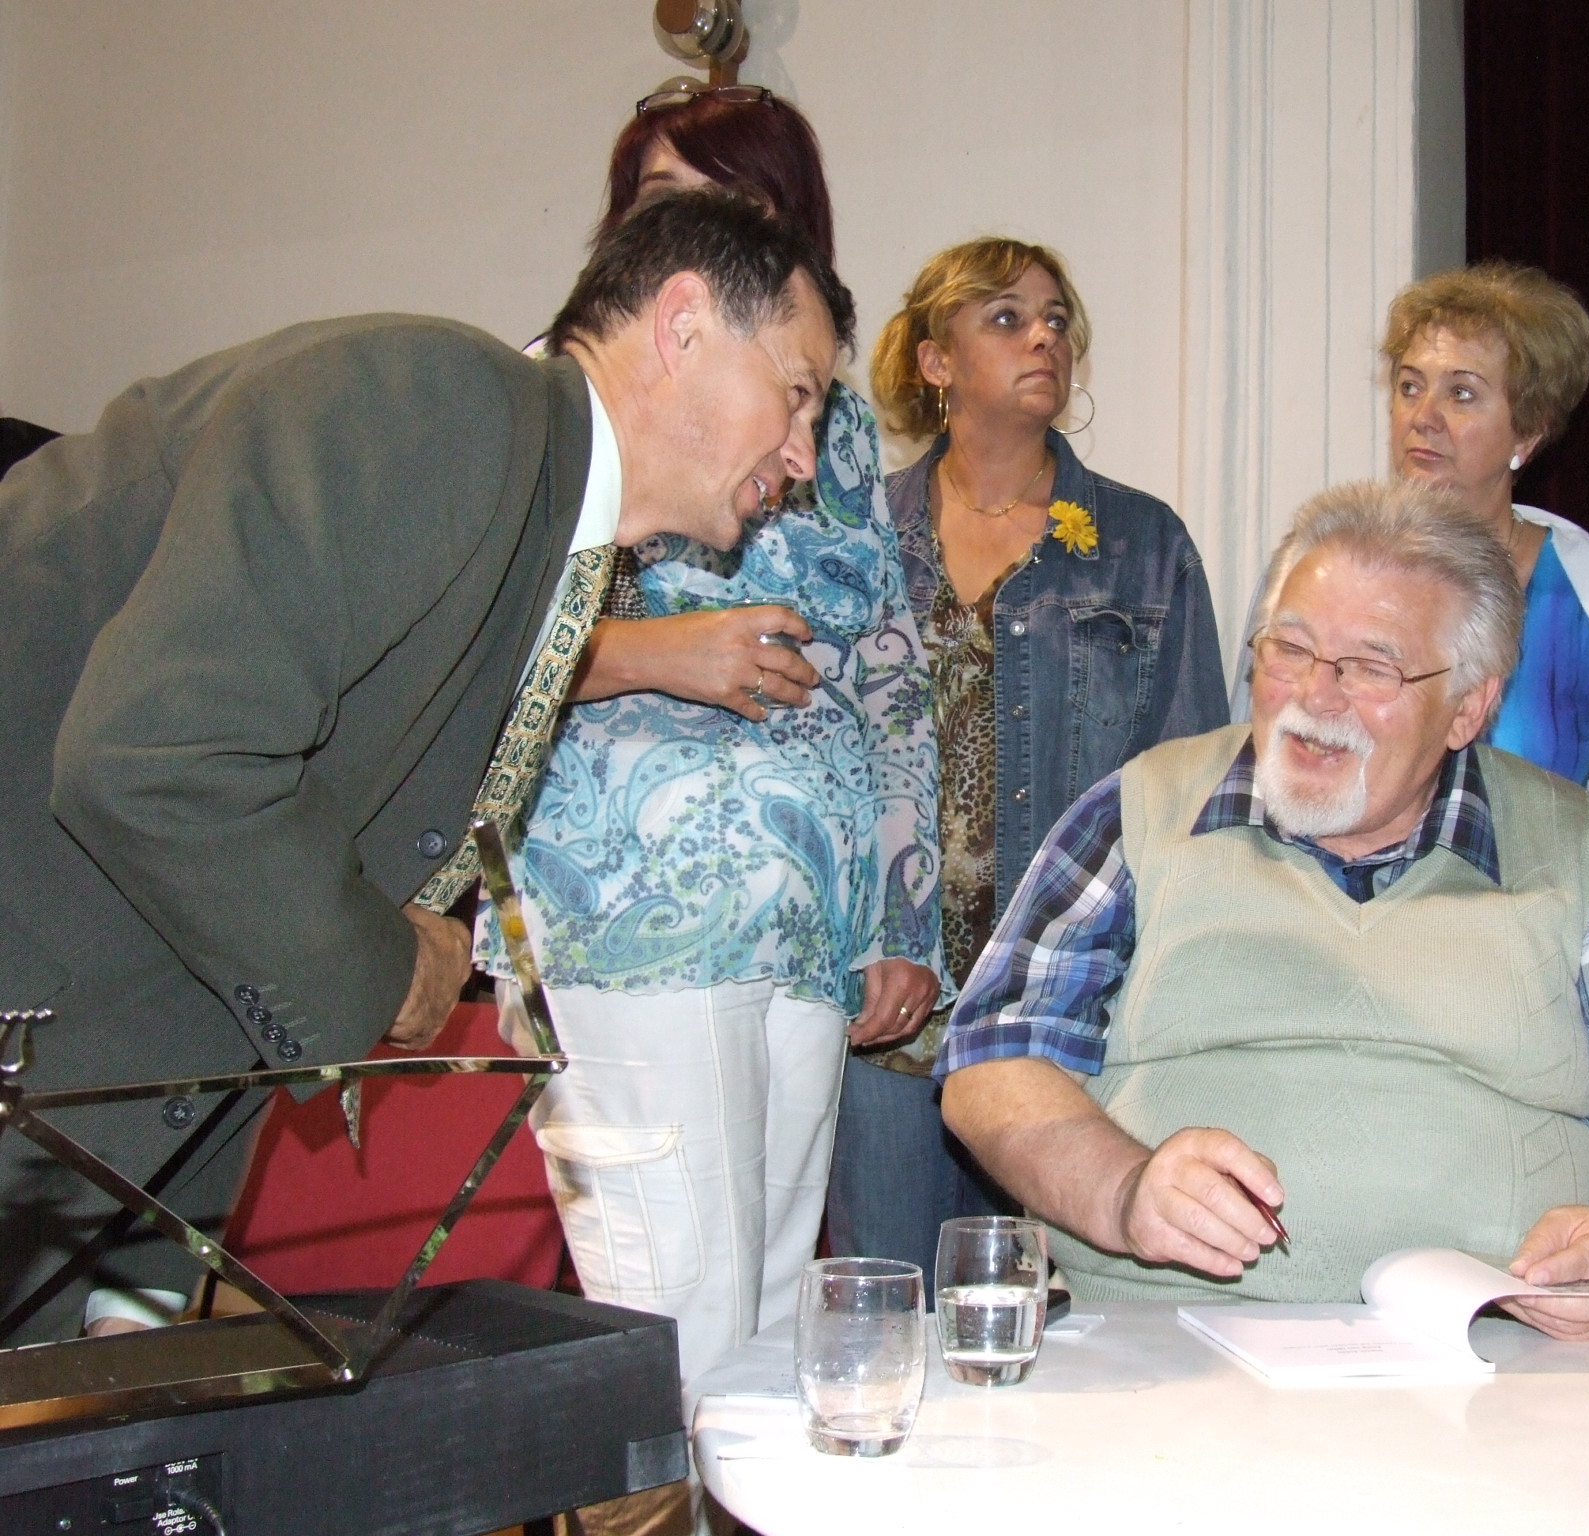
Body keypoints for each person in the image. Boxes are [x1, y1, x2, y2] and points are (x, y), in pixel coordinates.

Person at [0, 188, 851, 1345]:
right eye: (796, 392)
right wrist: (391, 962)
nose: (802, 454)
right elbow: (159, 758)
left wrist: (142, 1267)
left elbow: (249, 856)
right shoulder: (444, 404)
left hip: (85, 1116)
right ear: (683, 322)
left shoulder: (543, 519)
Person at [937, 478, 1589, 1337]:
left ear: (1470, 707)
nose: (1315, 695)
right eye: (1289, 648)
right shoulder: (1143, 811)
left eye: (1372, 667)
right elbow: (995, 1057)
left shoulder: (1587, 856)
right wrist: (1124, 1191)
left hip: (1493, 1354)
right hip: (1164, 1345)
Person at [480, 86, 943, 1439]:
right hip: (625, 907)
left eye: (718, 197)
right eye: (655, 197)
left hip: (805, 922)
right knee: (671, 1328)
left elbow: (890, 668)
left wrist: (900, 912)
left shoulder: (833, 425)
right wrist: (653, 652)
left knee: (765, 1340)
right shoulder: (536, 399)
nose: (680, 221)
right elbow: (465, 655)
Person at [830, 236, 1230, 1276]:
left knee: (1049, 1320)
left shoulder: (1140, 543)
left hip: (1063, 1011)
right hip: (889, 1005)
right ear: (936, 361)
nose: (1043, 337)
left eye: (1056, 320)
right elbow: (819, 765)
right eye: (1006, 318)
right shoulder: (859, 536)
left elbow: (1191, 790)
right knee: (888, 1295)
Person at [1380, 261, 1589, 861]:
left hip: (1543, 907)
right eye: (1410, 386)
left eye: (1461, 393)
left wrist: (1550, 865)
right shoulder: (1336, 570)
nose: (1423, 417)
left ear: (1527, 434)